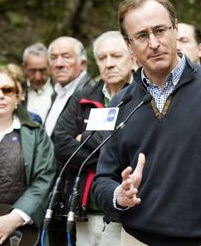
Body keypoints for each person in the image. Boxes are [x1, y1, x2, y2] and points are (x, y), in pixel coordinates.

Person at [92, 0, 201, 246]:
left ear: (175, 29)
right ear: (129, 45)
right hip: (138, 240)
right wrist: (119, 194)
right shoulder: (121, 103)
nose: (153, 43)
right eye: (141, 36)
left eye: (160, 30)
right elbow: (102, 181)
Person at [53, 31, 136, 246]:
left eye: (116, 56)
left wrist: (83, 137)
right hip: (83, 212)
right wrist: (111, 156)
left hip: (125, 216)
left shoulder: (140, 96)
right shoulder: (84, 96)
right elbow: (61, 144)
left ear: (132, 57)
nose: (109, 64)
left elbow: (135, 149)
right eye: (102, 58)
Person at [0, 67, 56, 245]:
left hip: (23, 232)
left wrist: (14, 219)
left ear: (18, 96)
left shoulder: (36, 134)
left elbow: (43, 179)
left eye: (7, 90)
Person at [45, 36, 93, 137]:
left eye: (66, 57)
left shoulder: (91, 94)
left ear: (83, 63)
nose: (59, 64)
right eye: (53, 58)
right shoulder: (57, 92)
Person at [22, 43, 54, 122]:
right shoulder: (17, 91)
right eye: (32, 71)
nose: (37, 77)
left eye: (42, 70)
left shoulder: (59, 91)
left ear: (50, 67)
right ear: (24, 68)